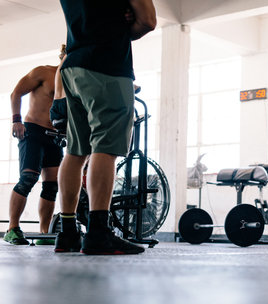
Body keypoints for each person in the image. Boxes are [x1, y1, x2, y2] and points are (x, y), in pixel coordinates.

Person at [55, 0, 156, 255]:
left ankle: (67, 232)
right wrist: (122, 26)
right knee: (106, 146)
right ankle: (98, 233)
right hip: (107, 64)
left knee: (76, 151)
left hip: (72, 65)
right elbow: (147, 20)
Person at [4, 46, 66, 245]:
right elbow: (16, 93)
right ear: (64, 56)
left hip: (55, 137)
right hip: (33, 131)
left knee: (51, 186)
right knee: (28, 178)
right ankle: (12, 228)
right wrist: (16, 120)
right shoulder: (43, 72)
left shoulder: (74, 83)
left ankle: (44, 233)